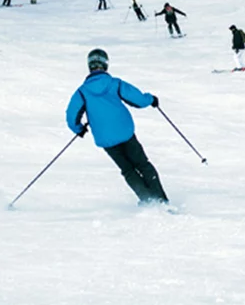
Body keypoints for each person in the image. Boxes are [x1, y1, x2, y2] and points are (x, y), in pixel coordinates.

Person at [66, 48, 169, 206]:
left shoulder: (82, 92)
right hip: (125, 132)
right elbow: (138, 100)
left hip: (106, 139)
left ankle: (147, 200)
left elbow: (71, 117)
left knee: (127, 170)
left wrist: (79, 129)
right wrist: (151, 99)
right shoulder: (115, 84)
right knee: (142, 164)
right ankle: (160, 200)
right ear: (106, 65)